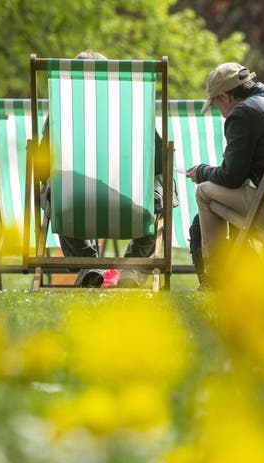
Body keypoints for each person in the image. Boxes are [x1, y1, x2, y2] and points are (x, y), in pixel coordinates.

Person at [35, 50, 165, 288]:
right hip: (131, 200)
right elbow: (157, 160)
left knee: (56, 194)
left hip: (73, 204)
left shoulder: (60, 116)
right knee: (159, 195)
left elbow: (42, 167)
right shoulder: (132, 114)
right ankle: (133, 268)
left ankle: (88, 265)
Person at [185, 62, 264, 288]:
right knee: (260, 187)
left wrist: (202, 171)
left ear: (225, 97)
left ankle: (214, 279)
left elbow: (232, 176)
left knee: (204, 192)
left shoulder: (243, 113)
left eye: (215, 104)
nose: (219, 112)